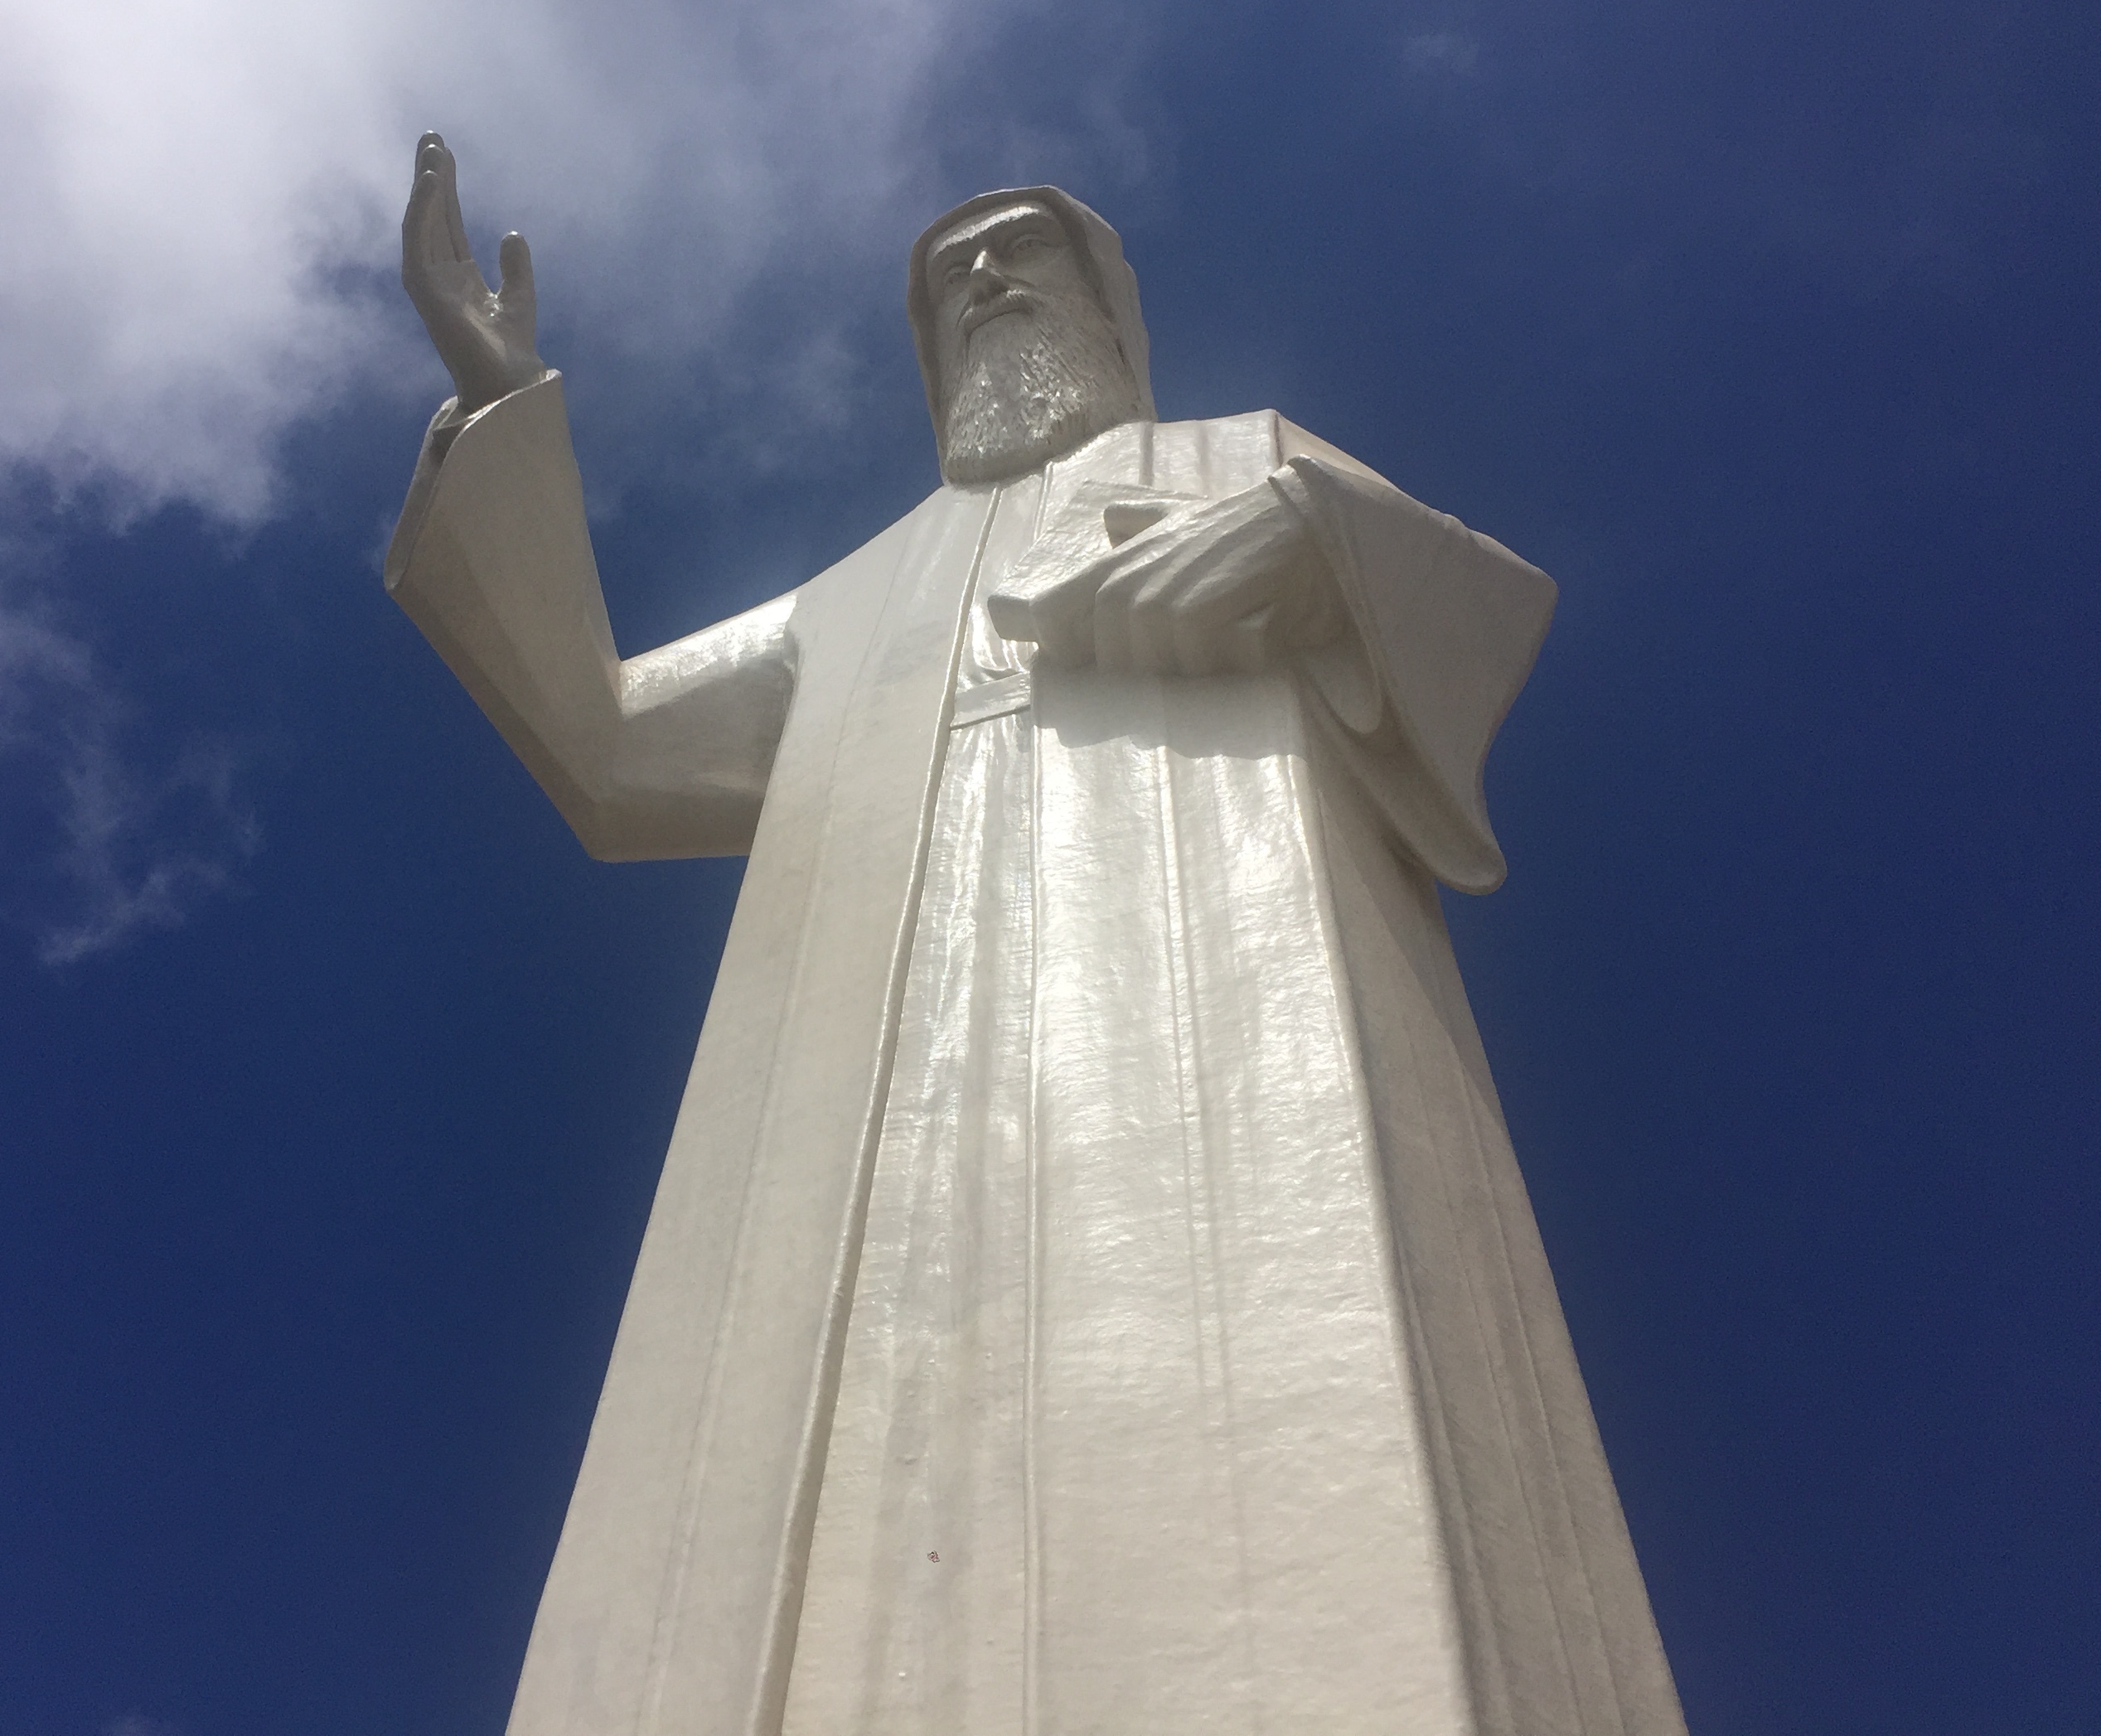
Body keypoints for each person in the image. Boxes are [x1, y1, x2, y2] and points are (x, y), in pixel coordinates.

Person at [387, 133, 1686, 1736]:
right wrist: (500, 408)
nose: (987, 279)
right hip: (856, 1071)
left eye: (1022, 252)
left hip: (1218, 978)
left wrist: (1316, 548)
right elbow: (602, 740)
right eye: (950, 281)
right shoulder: (845, 602)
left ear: (1110, 311)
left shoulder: (1246, 457)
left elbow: (1473, 594)